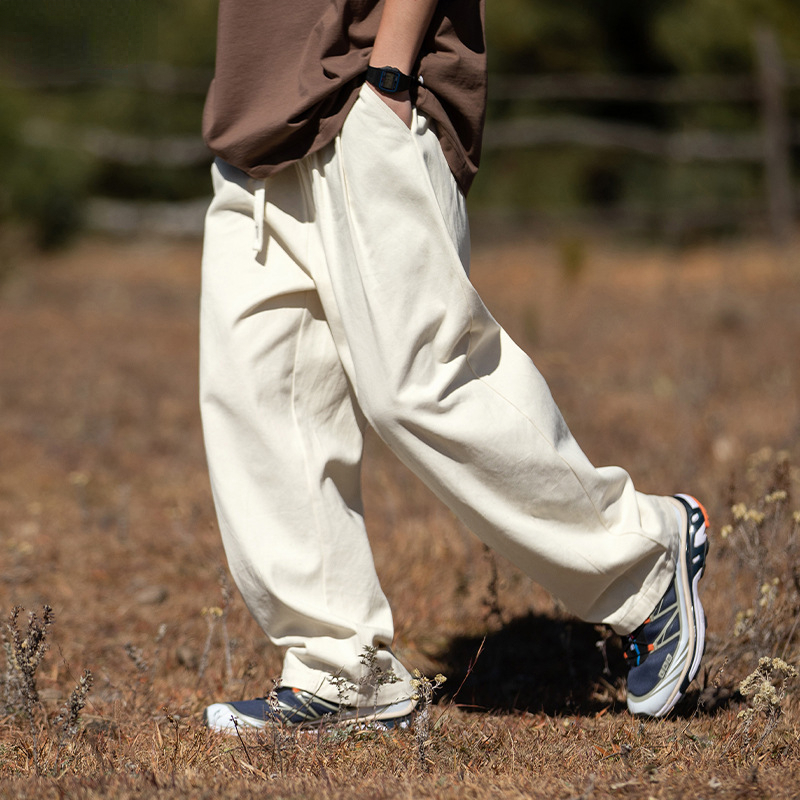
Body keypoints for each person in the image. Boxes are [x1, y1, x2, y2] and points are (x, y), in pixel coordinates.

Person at [199, 0, 709, 733]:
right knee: (260, 406)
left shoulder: (380, 87)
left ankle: (643, 557)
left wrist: (390, 74)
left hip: (364, 98)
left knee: (419, 387)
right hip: (254, 127)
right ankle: (341, 671)